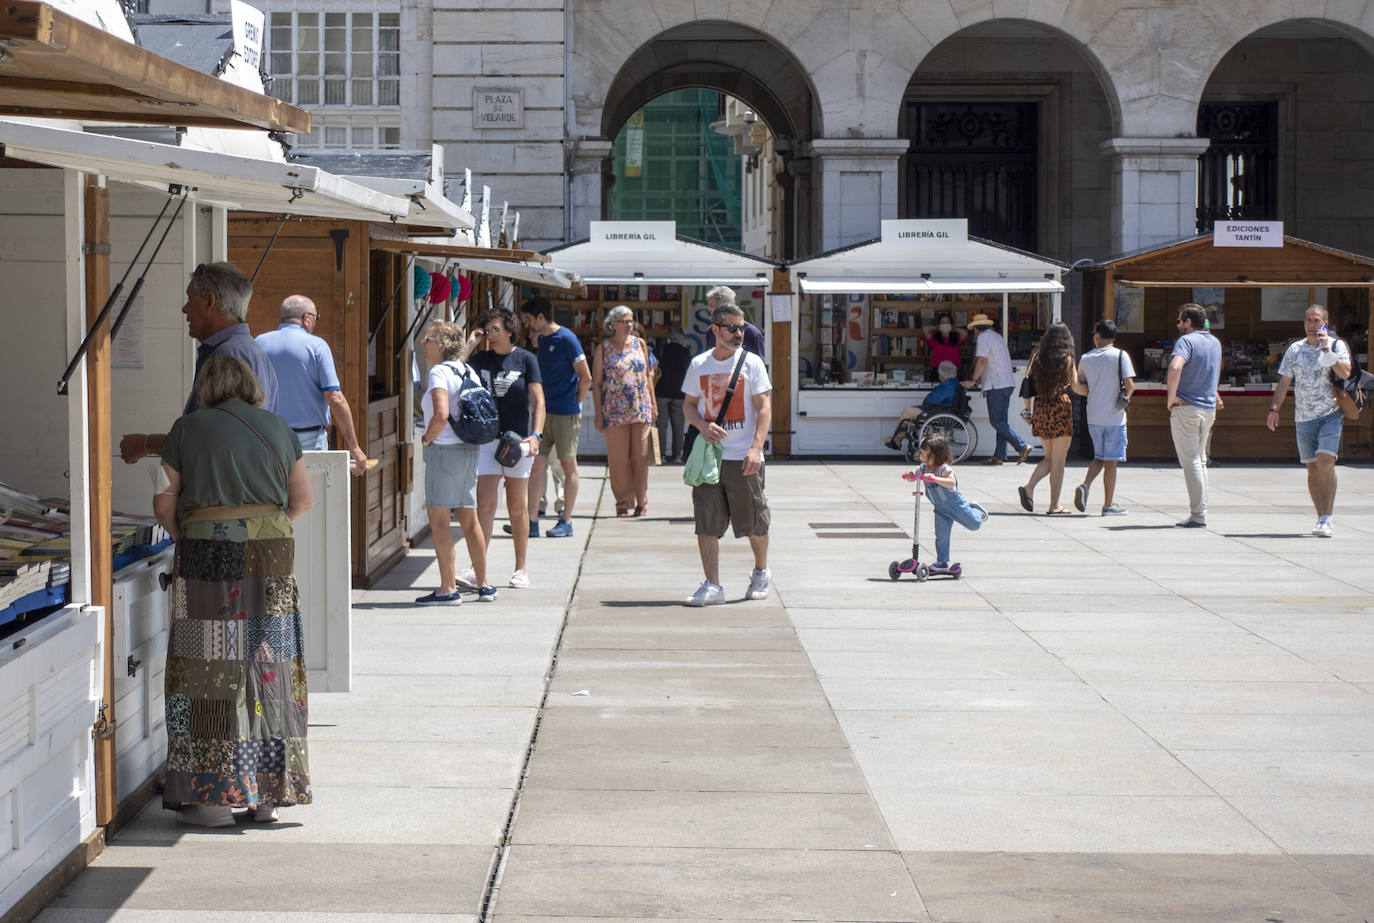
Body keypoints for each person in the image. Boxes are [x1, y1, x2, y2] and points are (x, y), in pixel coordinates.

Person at [151, 355, 313, 827]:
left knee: (207, 667)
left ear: (207, 387)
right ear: (250, 387)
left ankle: (213, 800)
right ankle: (266, 798)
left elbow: (164, 503)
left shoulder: (186, 430)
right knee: (269, 660)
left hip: (205, 549)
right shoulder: (280, 427)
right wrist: (259, 528)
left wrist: (195, 533)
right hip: (272, 551)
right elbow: (302, 500)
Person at [120, 262, 279, 464]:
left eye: (190, 298)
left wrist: (147, 443)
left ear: (210, 301)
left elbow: (212, 439)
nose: (184, 309)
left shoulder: (227, 356)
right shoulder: (253, 351)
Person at [682, 301, 773, 606]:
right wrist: (702, 425)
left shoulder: (752, 364)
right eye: (732, 328)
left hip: (743, 457)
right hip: (711, 457)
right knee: (706, 522)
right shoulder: (699, 365)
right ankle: (713, 585)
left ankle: (761, 571)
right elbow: (689, 406)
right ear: (716, 330)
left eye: (742, 327)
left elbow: (764, 408)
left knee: (754, 523)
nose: (738, 333)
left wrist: (756, 449)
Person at [416, 321, 495, 604]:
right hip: (468, 451)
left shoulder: (438, 372)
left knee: (439, 523)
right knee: (469, 518)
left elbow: (440, 415)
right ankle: (484, 584)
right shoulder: (465, 369)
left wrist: (426, 439)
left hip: (443, 452)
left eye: (428, 339)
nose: (423, 344)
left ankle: (448, 588)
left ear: (441, 345)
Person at [467, 308, 545, 586]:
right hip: (487, 441)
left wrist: (536, 434)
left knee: (517, 507)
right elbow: (454, 371)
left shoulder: (526, 359)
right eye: (486, 331)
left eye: (495, 329)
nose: (491, 336)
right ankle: (478, 570)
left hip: (518, 441)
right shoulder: (480, 359)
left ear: (510, 330)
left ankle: (521, 569)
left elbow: (538, 401)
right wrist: (470, 344)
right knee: (485, 505)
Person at [255, 294, 368, 474]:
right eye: (316, 318)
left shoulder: (259, 342)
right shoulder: (317, 346)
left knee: (273, 499)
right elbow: (335, 398)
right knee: (312, 500)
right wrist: (354, 447)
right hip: (309, 439)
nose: (315, 323)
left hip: (268, 437)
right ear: (306, 318)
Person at [1266, 304, 1352, 537]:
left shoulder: (1336, 345)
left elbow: (1346, 372)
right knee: (1313, 468)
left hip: (1330, 414)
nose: (1312, 325)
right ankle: (1320, 516)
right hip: (1303, 417)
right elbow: (1284, 382)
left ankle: (1327, 518)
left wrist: (1327, 350)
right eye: (1308, 321)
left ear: (1325, 323)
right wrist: (1275, 409)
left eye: (1316, 321)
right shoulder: (1295, 349)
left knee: (1326, 462)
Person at [520, 296, 591, 538]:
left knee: (568, 465)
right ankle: (531, 522)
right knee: (536, 465)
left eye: (529, 320)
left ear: (541, 317)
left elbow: (586, 376)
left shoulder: (567, 338)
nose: (527, 324)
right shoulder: (543, 340)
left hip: (565, 414)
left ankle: (566, 521)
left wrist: (576, 403)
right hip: (543, 413)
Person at [593, 305, 657, 517]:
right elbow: (598, 383)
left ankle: (642, 500)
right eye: (625, 321)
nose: (629, 325)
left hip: (641, 408)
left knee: (640, 457)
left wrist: (654, 404)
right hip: (614, 411)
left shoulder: (640, 344)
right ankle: (623, 502)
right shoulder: (603, 348)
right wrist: (598, 414)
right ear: (613, 325)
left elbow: (648, 375)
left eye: (631, 321)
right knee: (618, 460)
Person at [1166, 303, 1222, 528]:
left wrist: (1171, 398)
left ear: (1188, 322)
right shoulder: (1215, 343)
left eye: (1180, 321)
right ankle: (1201, 511)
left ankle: (1198, 515)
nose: (1178, 325)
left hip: (1186, 407)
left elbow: (1176, 367)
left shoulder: (1186, 341)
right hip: (1208, 410)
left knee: (1191, 463)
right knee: (1200, 461)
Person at [1071, 319, 1135, 515]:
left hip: (1093, 416)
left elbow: (1081, 387)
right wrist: (1125, 398)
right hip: (1114, 418)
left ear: (1097, 336)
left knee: (1099, 456)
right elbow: (1130, 386)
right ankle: (1108, 505)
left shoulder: (1086, 358)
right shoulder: (1121, 356)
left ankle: (1086, 485)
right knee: (1111, 462)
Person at [903, 432, 988, 570]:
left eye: (926, 455)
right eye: (921, 453)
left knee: (975, 525)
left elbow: (951, 482)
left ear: (937, 456)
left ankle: (976, 511)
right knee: (941, 536)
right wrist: (910, 475)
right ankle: (942, 561)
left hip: (956, 506)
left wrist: (935, 479)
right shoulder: (923, 468)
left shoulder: (943, 469)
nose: (922, 457)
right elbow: (913, 476)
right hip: (941, 510)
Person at [1017, 323, 1077, 515]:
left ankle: (1029, 487)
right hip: (1060, 408)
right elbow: (1076, 386)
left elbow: (1027, 386)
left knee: (1050, 458)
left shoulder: (1037, 358)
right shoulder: (1067, 359)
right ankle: (1054, 505)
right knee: (1059, 461)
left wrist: (1027, 413)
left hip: (1041, 408)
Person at [962, 313, 1031, 465]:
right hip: (1006, 383)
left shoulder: (982, 338)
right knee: (1002, 421)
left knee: (996, 421)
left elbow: (982, 361)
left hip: (996, 385)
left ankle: (1022, 446)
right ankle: (1000, 455)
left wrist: (973, 380)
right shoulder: (996, 337)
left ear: (975, 330)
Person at [883, 360, 959, 450]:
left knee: (907, 411)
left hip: (936, 412)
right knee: (910, 411)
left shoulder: (945, 386)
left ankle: (896, 439)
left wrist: (924, 403)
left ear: (942, 375)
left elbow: (930, 400)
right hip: (941, 410)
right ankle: (897, 439)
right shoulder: (953, 383)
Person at [655, 326, 692, 462]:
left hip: (662, 391)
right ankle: (677, 456)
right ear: (681, 337)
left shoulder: (662, 350)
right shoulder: (685, 353)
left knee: (661, 426)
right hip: (679, 392)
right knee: (678, 425)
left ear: (669, 337)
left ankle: (662, 455)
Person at [704, 285, 765, 358]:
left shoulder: (752, 333)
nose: (710, 310)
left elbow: (760, 364)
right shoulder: (711, 331)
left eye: (712, 306)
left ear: (724, 307)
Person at [920, 312, 966, 382]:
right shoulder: (934, 339)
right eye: (942, 323)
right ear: (939, 324)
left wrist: (953, 328)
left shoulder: (956, 339)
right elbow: (925, 329)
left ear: (951, 324)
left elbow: (965, 333)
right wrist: (936, 327)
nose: (945, 325)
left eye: (947, 322)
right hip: (937, 372)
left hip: (954, 372)